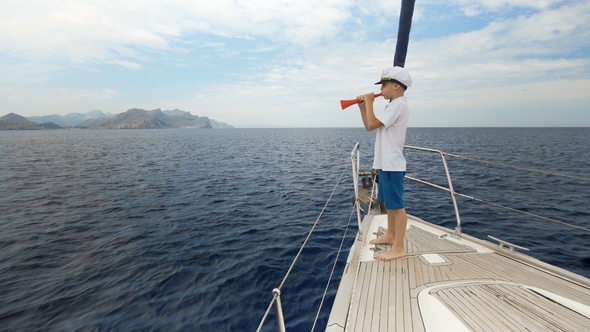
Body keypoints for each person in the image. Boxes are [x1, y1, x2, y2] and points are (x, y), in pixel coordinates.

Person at [357, 66, 412, 261]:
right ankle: (390, 235)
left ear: (397, 86)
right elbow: (369, 126)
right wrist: (363, 107)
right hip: (386, 164)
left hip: (393, 165)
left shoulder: (399, 105)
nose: (382, 88)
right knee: (389, 203)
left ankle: (399, 247)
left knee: (397, 206)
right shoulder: (393, 105)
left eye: (385, 84)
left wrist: (370, 102)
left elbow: (372, 124)